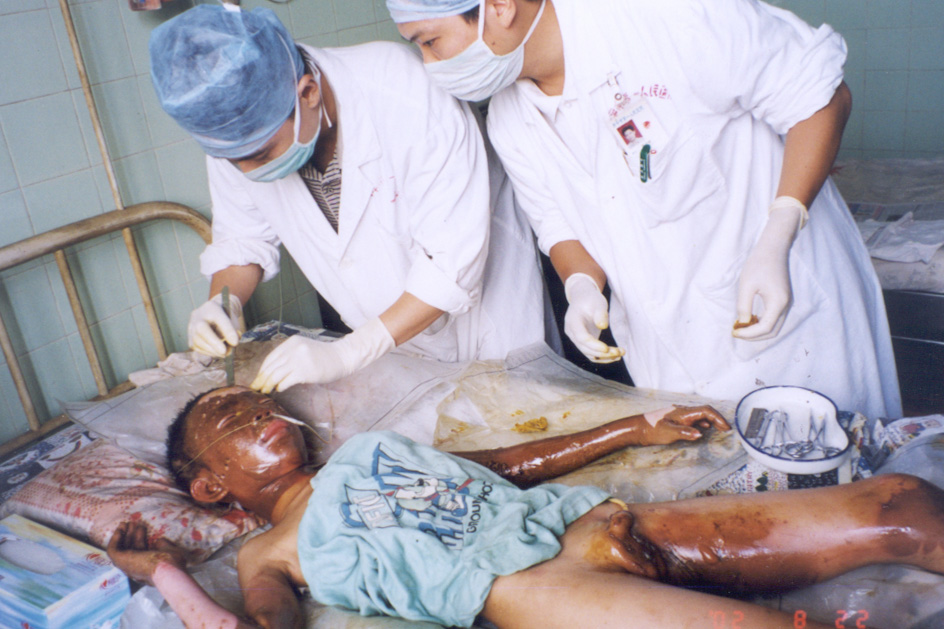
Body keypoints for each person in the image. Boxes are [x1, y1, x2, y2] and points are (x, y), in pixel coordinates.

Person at [384, 0, 902, 420]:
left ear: (498, 7)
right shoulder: (510, 120)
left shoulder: (666, 18)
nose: (430, 65)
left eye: (429, 42)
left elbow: (820, 98)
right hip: (667, 356)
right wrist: (580, 285)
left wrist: (781, 229)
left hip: (791, 332)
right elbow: (557, 226)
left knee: (858, 494)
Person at [107, 386, 944, 628]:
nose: (260, 413)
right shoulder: (269, 553)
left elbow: (507, 464)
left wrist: (635, 427)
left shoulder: (366, 449)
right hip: (530, 590)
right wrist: (165, 575)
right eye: (232, 420)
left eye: (260, 402)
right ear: (210, 485)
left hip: (583, 520)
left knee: (901, 501)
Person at [148, 4, 554, 393]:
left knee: (524, 418)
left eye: (262, 154)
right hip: (389, 345)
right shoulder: (237, 134)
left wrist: (349, 352)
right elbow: (243, 239)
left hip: (489, 321)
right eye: (233, 160)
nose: (249, 172)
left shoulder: (403, 90)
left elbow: (451, 264)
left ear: (308, 93)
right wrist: (224, 303)